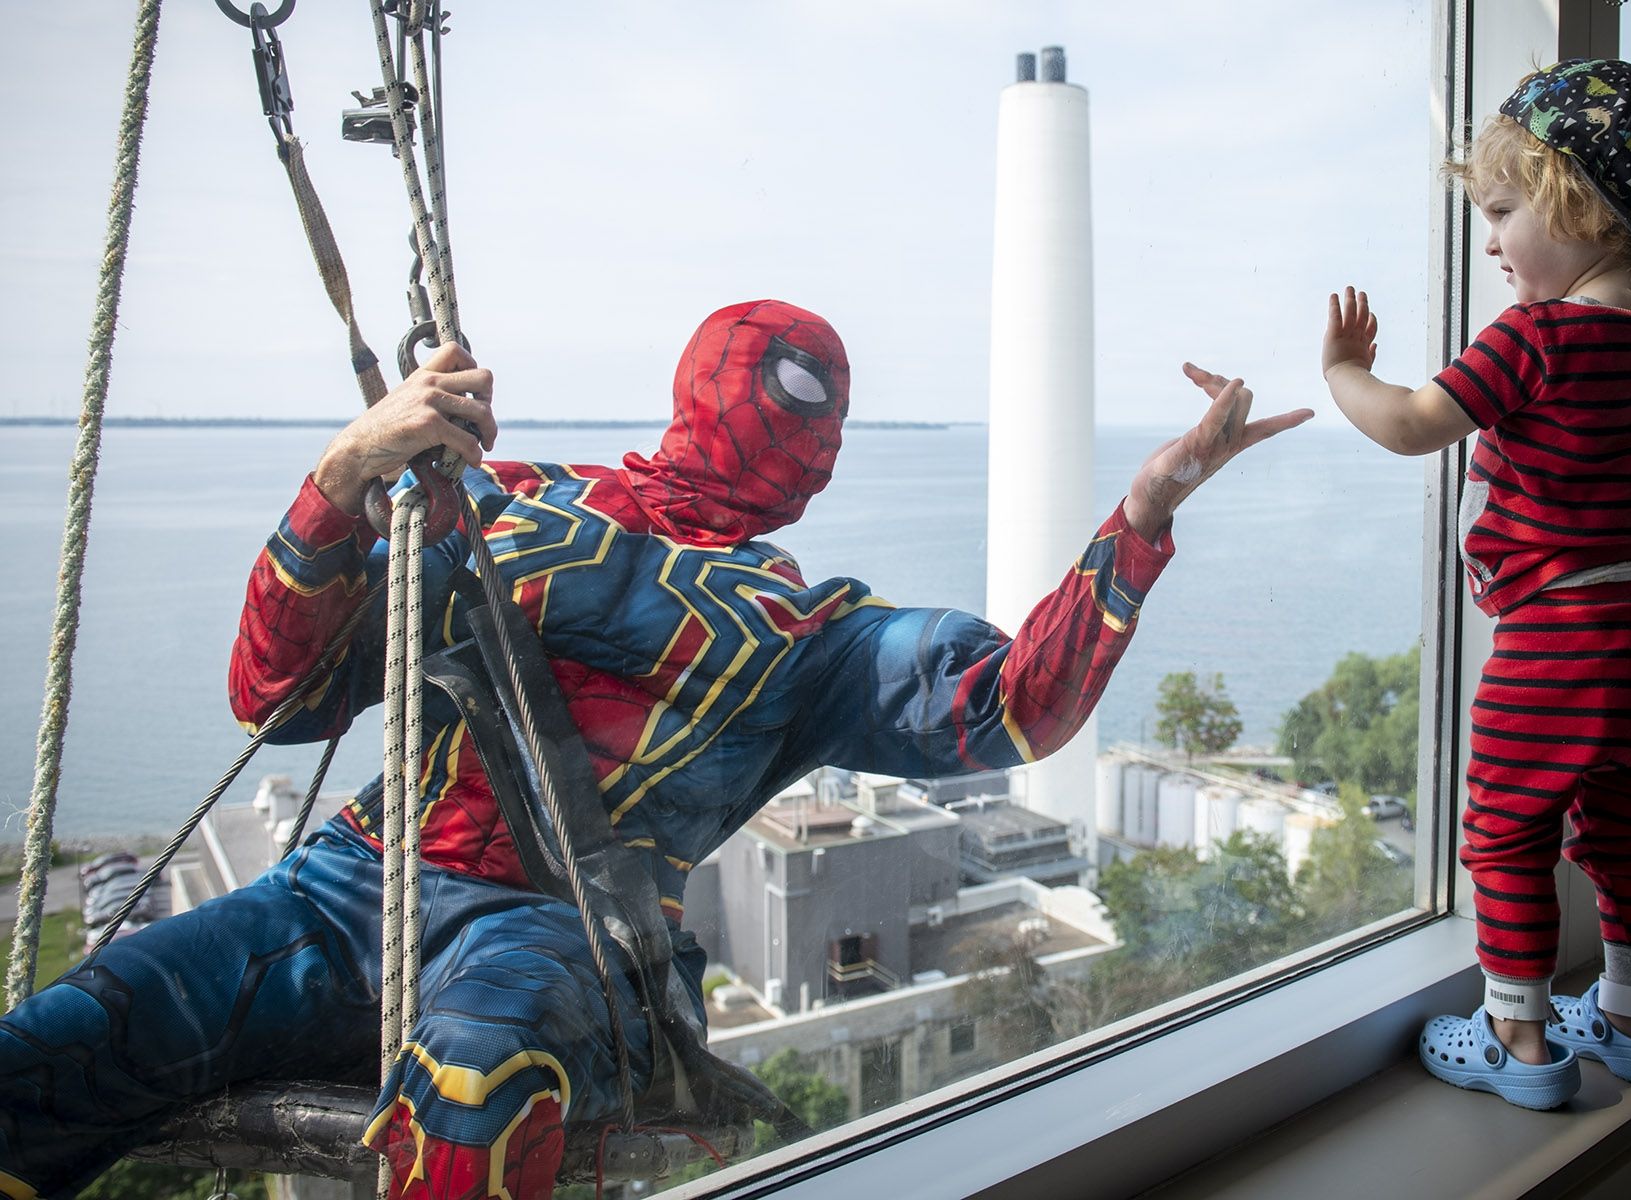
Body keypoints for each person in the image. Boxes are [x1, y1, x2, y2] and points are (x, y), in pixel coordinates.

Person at [0, 298, 1309, 1197]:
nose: (822, 438)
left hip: (559, 933)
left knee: (480, 1088)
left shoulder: (808, 631)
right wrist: (349, 474)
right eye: (803, 399)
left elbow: (1014, 707)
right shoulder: (504, 500)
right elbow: (277, 699)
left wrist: (1142, 515)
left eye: (837, 415)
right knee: (53, 1047)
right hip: (353, 884)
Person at [1318, 60, 1631, 1109]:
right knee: (1625, 834)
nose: (1488, 241)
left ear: (1579, 201)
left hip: (1556, 643)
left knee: (1505, 833)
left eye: (1501, 211)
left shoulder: (1536, 337)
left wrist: (1344, 374)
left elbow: (1410, 425)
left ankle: (1516, 1039)